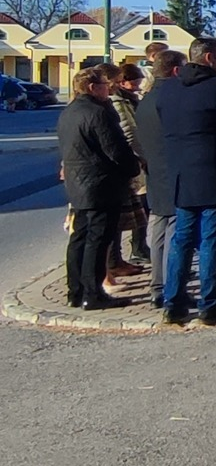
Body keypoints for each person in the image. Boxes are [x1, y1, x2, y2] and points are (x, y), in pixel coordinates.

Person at [156, 37, 216, 325]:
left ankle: (173, 302)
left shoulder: (168, 88)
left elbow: (165, 126)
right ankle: (209, 302)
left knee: (182, 239)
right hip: (213, 172)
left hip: (180, 174)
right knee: (211, 240)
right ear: (209, 58)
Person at [58, 66, 141, 310]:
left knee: (79, 238)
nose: (110, 88)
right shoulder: (99, 112)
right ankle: (93, 293)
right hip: (101, 184)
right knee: (98, 239)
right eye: (106, 84)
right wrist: (132, 168)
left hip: (78, 183)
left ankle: (75, 290)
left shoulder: (69, 111)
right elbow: (115, 149)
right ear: (93, 88)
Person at [131, 50, 182, 306]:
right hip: (174, 171)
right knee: (175, 231)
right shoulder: (174, 98)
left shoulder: (147, 99)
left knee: (159, 229)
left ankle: (157, 286)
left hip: (154, 171)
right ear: (175, 71)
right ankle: (171, 290)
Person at [102, 63, 151, 282]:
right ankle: (117, 260)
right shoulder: (117, 101)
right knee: (120, 216)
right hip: (130, 162)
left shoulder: (128, 99)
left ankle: (130, 252)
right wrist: (141, 157)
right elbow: (129, 131)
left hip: (135, 160)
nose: (137, 85)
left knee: (136, 209)